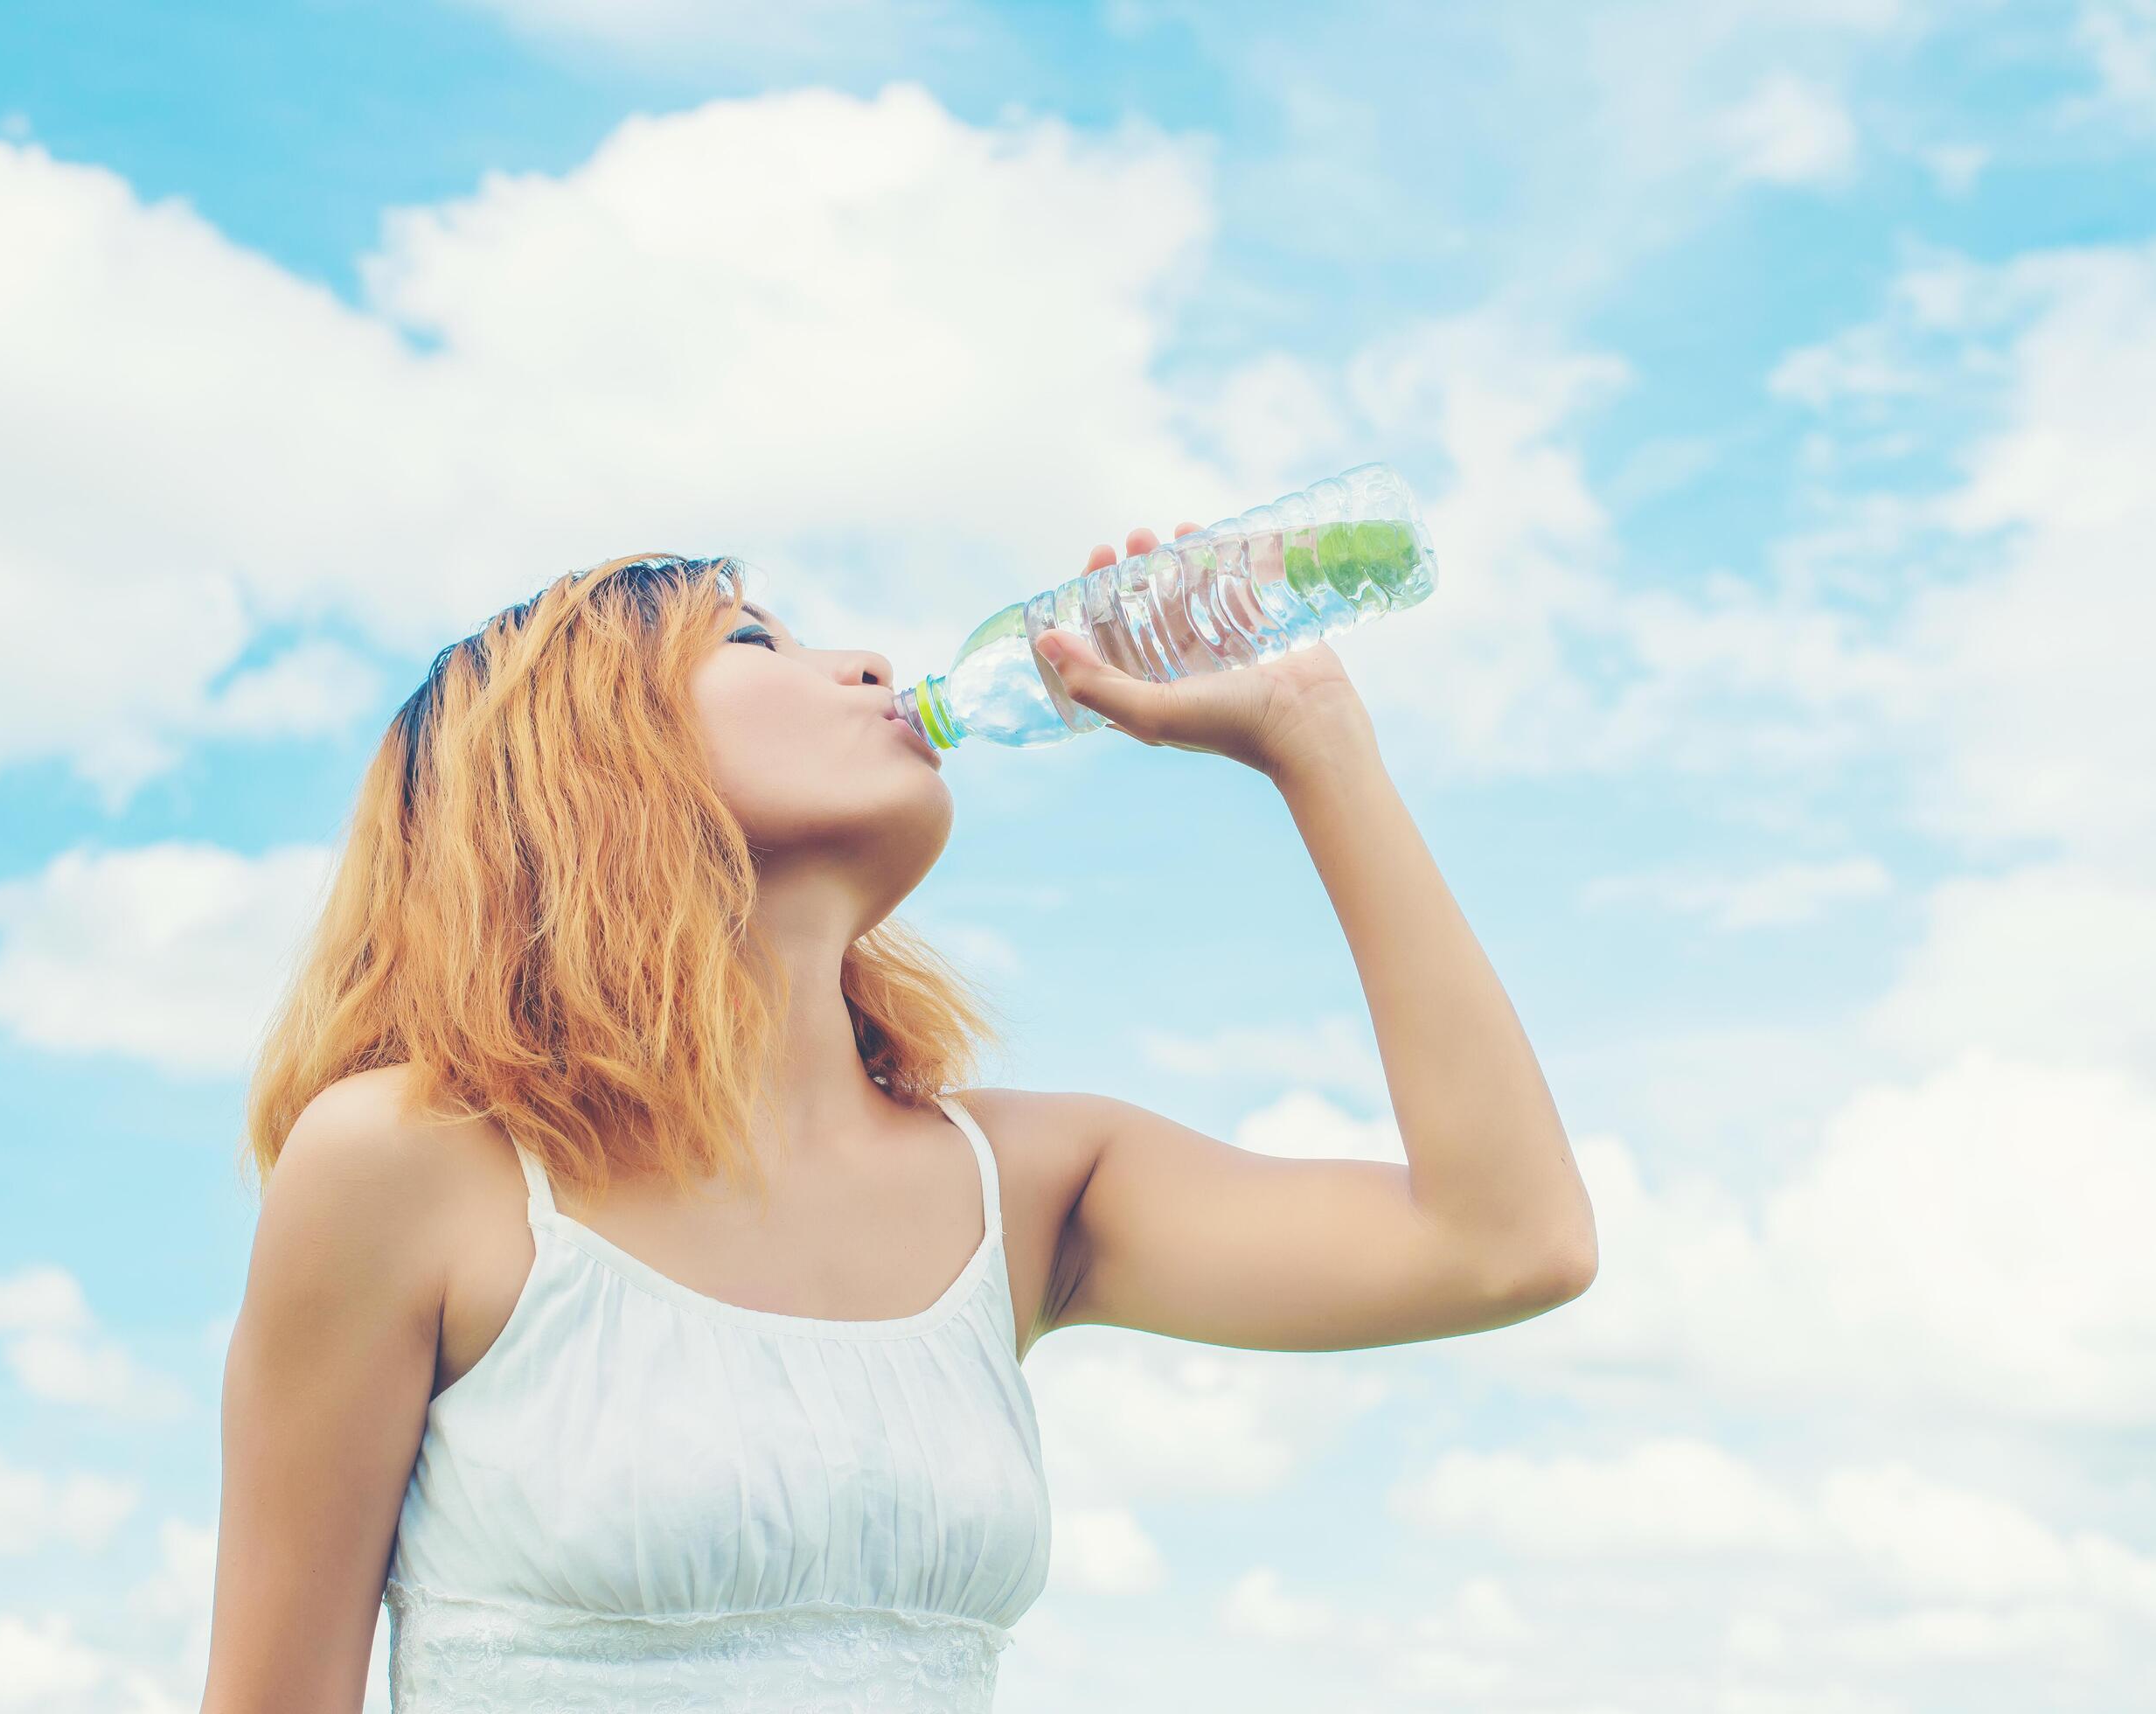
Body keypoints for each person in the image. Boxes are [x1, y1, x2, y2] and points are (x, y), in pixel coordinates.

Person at [201, 530, 1597, 1712]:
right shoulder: (408, 1163)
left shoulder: (1032, 1183)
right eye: (750, 643)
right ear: (576, 763)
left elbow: (1507, 1242)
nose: (864, 664)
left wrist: (1316, 745)